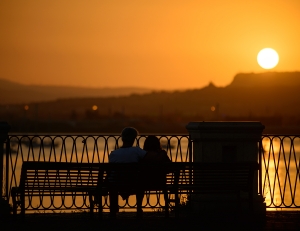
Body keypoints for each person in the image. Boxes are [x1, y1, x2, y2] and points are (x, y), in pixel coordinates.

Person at [108, 127, 146, 218]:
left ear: (122, 138)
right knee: (141, 181)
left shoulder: (113, 154)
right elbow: (148, 158)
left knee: (112, 182)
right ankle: (139, 208)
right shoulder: (137, 151)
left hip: (116, 185)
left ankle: (113, 210)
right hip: (134, 184)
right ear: (134, 139)